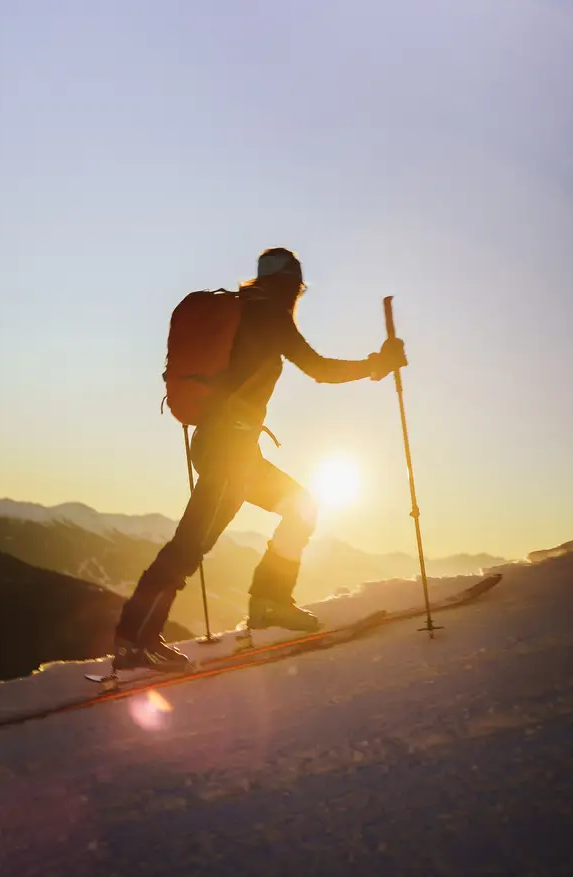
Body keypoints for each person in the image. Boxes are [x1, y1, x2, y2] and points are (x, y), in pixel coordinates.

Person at [114, 247, 407, 671]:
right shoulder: (271, 317)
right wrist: (379, 364)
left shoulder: (243, 311)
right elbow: (320, 369)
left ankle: (269, 601)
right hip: (228, 451)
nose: (295, 297)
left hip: (228, 447)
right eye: (296, 289)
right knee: (189, 546)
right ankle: (133, 640)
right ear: (291, 285)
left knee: (299, 507)